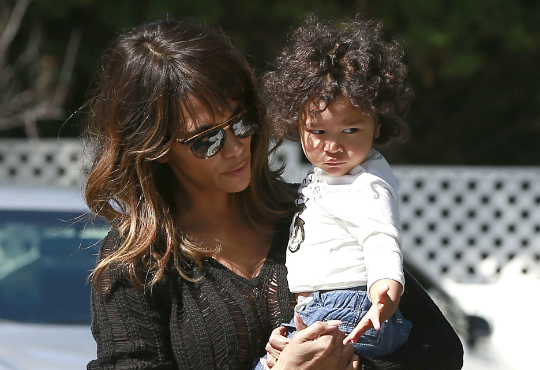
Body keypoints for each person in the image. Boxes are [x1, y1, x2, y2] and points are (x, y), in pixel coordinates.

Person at [84, 18, 462, 370]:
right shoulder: (135, 262)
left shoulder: (314, 208)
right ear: (157, 147)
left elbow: (440, 351)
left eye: (243, 120)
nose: (236, 147)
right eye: (207, 139)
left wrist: (353, 363)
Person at [257, 14, 464, 369]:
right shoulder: (332, 177)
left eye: (350, 130)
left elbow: (380, 235)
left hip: (349, 305)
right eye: (318, 132)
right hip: (327, 307)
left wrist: (386, 284)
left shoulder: (365, 183)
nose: (332, 146)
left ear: (377, 123)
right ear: (297, 124)